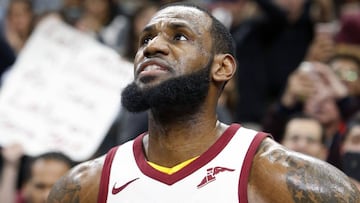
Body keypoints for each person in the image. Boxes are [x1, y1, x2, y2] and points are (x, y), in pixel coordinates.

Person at [47, 3, 360, 202]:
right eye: (145, 40)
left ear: (222, 67)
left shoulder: (275, 173)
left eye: (180, 36)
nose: (153, 46)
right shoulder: (85, 186)